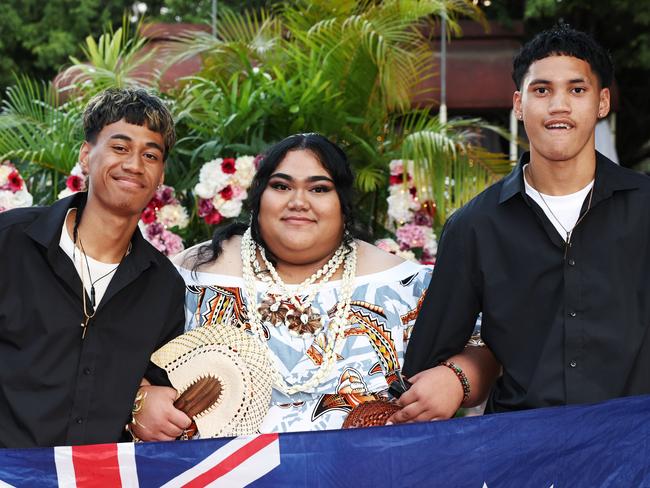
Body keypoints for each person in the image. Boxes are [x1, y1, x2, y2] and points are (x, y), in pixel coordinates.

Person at [131, 133, 498, 440]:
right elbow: (108, 353)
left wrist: (456, 380)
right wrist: (140, 402)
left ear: (343, 204)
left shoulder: (403, 283)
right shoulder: (188, 277)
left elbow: (486, 347)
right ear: (259, 199)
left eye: (319, 188)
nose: (298, 202)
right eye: (281, 186)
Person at [393, 25, 650, 422]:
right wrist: (456, 377)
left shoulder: (645, 207)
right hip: (519, 454)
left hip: (633, 450)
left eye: (576, 90)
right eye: (541, 90)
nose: (559, 105)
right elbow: (428, 364)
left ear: (602, 103)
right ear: (518, 103)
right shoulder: (474, 226)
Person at [0, 88, 185, 447]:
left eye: (150, 154)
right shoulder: (10, 243)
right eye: (120, 148)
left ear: (161, 174)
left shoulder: (164, 287)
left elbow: (154, 391)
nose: (134, 164)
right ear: (86, 156)